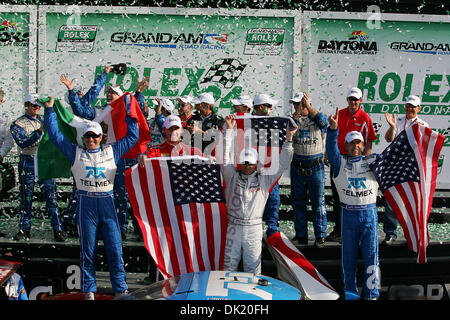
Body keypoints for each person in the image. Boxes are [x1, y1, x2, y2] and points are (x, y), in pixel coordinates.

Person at [44, 95, 138, 300]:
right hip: (86, 204)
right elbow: (55, 134)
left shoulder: (112, 150)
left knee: (115, 249)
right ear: (83, 137)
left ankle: (121, 290)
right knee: (87, 251)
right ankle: (89, 292)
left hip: (107, 202)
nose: (91, 140)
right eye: (87, 136)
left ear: (102, 136)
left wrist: (131, 105)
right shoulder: (75, 152)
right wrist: (50, 110)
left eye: (95, 136)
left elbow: (133, 136)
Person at [65, 75, 148, 240]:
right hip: (106, 158)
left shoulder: (125, 108)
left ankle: (139, 230)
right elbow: (81, 112)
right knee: (113, 195)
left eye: (114, 93)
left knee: (133, 195)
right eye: (108, 92)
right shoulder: (101, 112)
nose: (109, 94)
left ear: (121, 97)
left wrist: (138, 93)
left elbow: (135, 111)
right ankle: (117, 227)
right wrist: (71, 92)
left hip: (127, 156)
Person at [221, 114, 296, 274]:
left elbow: (283, 163)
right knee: (228, 268)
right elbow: (225, 156)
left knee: (253, 270)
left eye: (250, 163)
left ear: (256, 164)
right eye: (245, 163)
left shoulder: (265, 179)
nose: (247, 166)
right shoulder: (231, 175)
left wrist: (289, 140)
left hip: (254, 228)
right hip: (233, 227)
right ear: (240, 163)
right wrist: (229, 131)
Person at [326, 108, 380, 300]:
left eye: (358, 142)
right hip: (348, 215)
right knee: (348, 261)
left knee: (372, 259)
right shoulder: (339, 163)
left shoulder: (373, 162)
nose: (355, 146)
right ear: (346, 145)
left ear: (363, 144)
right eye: (351, 143)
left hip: (369, 215)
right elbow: (331, 151)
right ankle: (351, 294)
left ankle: (372, 295)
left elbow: (394, 158)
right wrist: (333, 131)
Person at [60, 66, 113, 236]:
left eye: (81, 94)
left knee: (98, 189)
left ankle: (90, 221)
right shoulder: (83, 113)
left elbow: (94, 91)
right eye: (78, 95)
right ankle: (70, 220)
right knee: (80, 189)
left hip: (101, 154)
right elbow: (83, 100)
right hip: (83, 154)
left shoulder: (99, 110)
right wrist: (71, 91)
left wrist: (104, 74)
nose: (82, 96)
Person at [10, 93, 65, 242]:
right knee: (26, 198)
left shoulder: (44, 120)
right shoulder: (18, 123)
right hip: (27, 160)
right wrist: (38, 132)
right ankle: (24, 229)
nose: (36, 108)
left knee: (51, 196)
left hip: (44, 162)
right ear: (26, 105)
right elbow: (22, 142)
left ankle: (58, 229)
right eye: (33, 105)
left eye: (38, 105)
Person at [327, 87, 377, 242]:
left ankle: (355, 231)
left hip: (356, 162)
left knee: (353, 197)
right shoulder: (340, 114)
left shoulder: (365, 117)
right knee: (337, 197)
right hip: (339, 160)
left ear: (361, 101)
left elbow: (368, 143)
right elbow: (332, 136)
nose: (353, 102)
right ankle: (339, 231)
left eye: (356, 99)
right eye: (351, 99)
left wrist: (365, 163)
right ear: (347, 100)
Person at [382, 95, 429, 245]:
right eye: (408, 105)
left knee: (413, 201)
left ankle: (415, 234)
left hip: (412, 168)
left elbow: (425, 148)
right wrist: (393, 127)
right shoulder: (399, 120)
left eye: (413, 106)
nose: (409, 108)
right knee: (391, 200)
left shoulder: (423, 124)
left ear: (419, 109)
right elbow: (388, 139)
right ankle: (390, 233)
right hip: (396, 166)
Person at [289, 92, 328, 248]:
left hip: (315, 164)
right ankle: (301, 235)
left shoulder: (317, 117)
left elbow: (325, 123)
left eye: (300, 104)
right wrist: (298, 112)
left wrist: (309, 106)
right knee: (298, 202)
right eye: (295, 104)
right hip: (297, 165)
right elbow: (289, 126)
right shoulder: (292, 119)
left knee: (318, 202)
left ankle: (320, 236)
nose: (297, 106)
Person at [251, 93, 281, 238]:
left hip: (270, 170)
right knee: (252, 205)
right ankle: (255, 234)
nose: (271, 109)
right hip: (251, 173)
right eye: (269, 106)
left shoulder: (274, 122)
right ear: (261, 107)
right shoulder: (246, 122)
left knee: (273, 201)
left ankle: (273, 232)